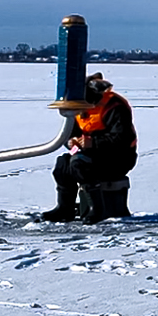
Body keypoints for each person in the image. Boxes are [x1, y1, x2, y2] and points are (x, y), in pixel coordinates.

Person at [42, 73, 138, 224]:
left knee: (80, 165)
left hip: (119, 157)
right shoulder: (77, 109)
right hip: (90, 154)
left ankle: (97, 209)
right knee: (62, 165)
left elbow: (122, 139)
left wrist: (93, 143)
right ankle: (65, 208)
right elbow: (69, 133)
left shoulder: (114, 106)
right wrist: (71, 141)